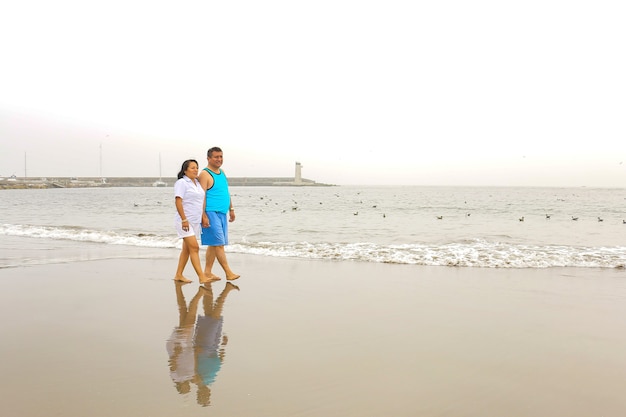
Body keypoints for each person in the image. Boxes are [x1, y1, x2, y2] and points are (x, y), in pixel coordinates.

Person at [199, 147, 240, 281]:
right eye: (216, 157)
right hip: (211, 212)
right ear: (208, 158)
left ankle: (207, 272)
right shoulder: (205, 174)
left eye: (221, 157)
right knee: (219, 244)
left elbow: (225, 192)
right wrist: (203, 215)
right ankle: (228, 272)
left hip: (222, 213)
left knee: (213, 244)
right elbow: (201, 196)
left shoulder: (222, 172)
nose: (219, 159)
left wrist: (231, 209)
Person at [174, 159, 212, 284]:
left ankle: (178, 275)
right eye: (192, 168)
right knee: (194, 247)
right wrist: (184, 219)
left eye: (197, 167)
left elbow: (199, 202)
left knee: (187, 249)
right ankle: (201, 276)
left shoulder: (197, 183)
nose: (196, 170)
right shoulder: (182, 183)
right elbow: (178, 201)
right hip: (184, 221)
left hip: (195, 221)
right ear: (185, 170)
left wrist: (203, 217)